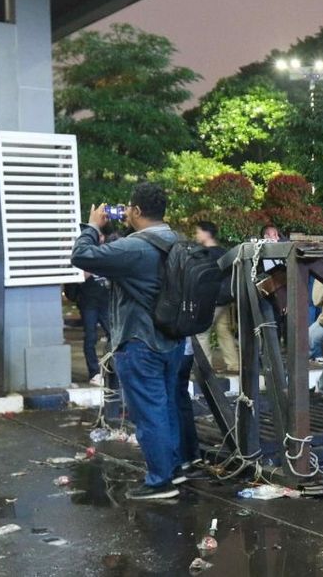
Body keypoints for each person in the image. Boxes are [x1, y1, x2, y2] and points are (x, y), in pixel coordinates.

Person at [70, 182, 199, 500]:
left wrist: (92, 226)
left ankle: (159, 481)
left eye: (128, 207)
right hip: (171, 340)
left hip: (140, 341)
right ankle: (173, 469)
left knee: (149, 412)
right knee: (166, 406)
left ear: (138, 211)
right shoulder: (176, 241)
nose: (125, 212)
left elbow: (81, 255)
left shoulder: (135, 246)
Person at [64, 228, 111, 387]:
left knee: (114, 335)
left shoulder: (106, 252)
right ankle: (94, 372)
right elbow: (78, 277)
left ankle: (111, 369)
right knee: (90, 337)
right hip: (89, 303)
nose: (101, 239)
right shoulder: (84, 253)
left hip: (105, 301)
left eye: (102, 236)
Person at [191, 221, 237, 373]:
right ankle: (234, 364)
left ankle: (205, 367)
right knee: (223, 330)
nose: (196, 235)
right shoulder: (224, 252)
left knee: (201, 332)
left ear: (206, 233)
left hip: (211, 298)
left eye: (198, 232)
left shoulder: (205, 254)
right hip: (225, 297)